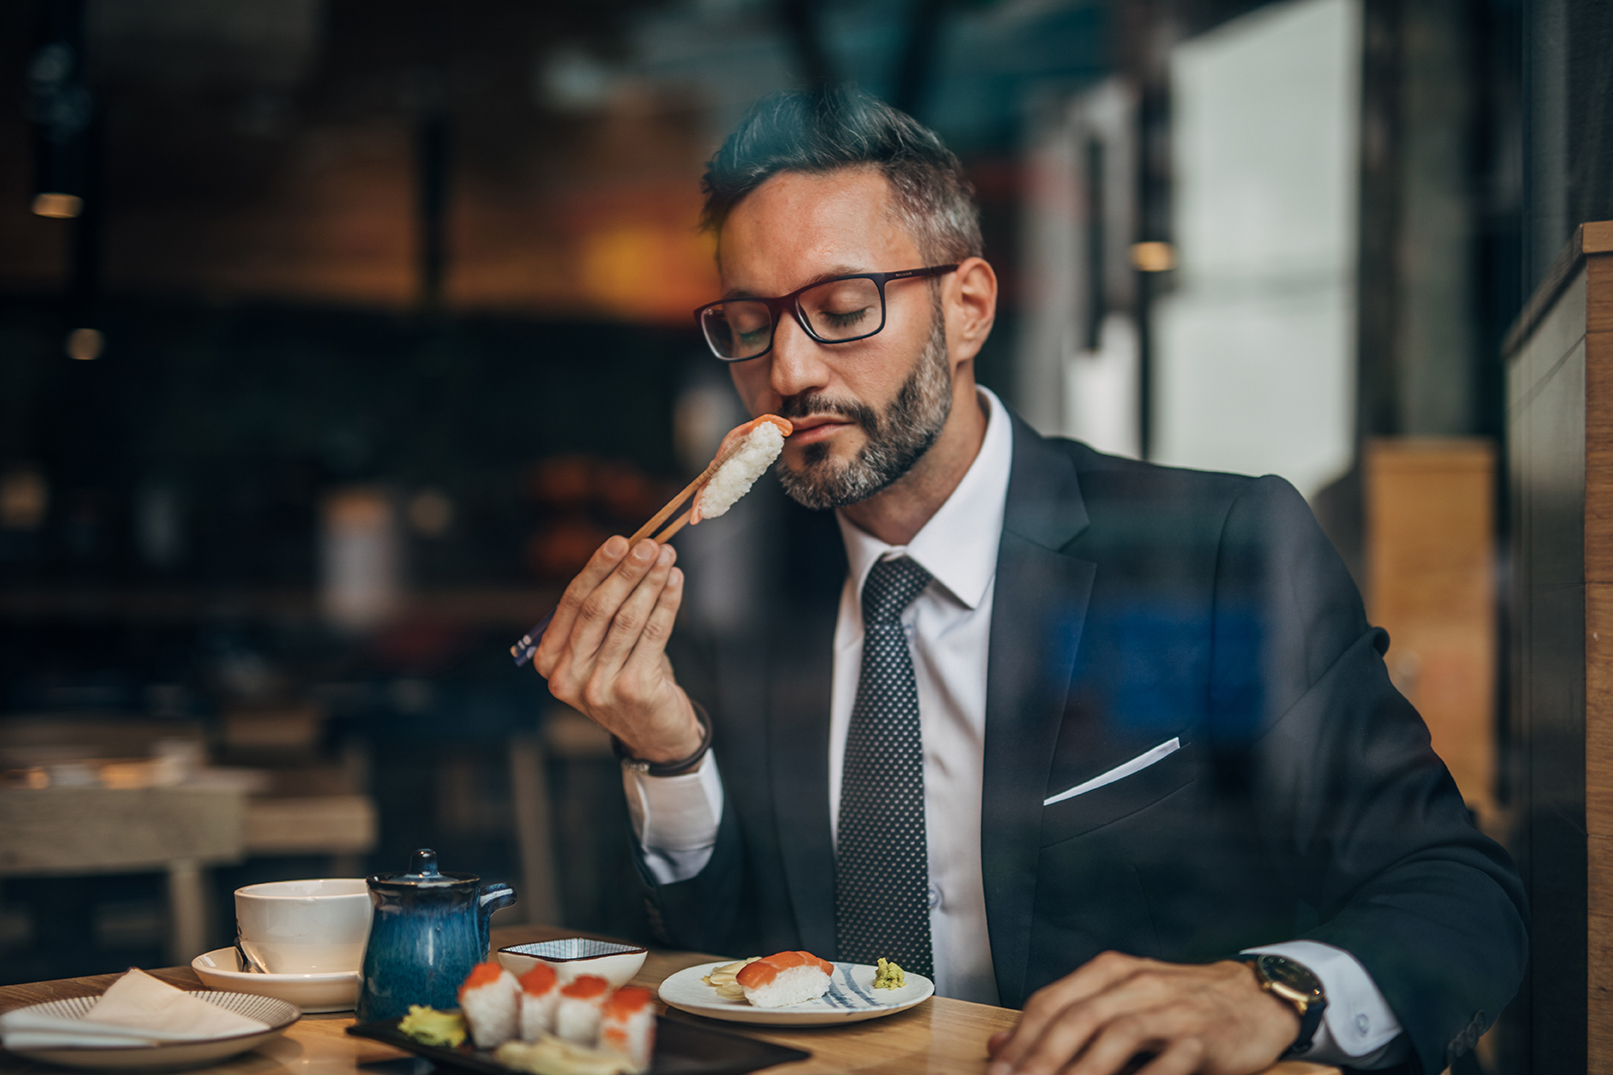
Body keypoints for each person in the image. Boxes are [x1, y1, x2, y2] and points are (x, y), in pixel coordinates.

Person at [531, 87, 1526, 1075]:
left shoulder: (1215, 546)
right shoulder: (724, 597)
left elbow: (1455, 889)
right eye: (749, 324)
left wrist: (1267, 990)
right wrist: (668, 754)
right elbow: (728, 966)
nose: (786, 367)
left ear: (965, 308)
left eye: (839, 309)